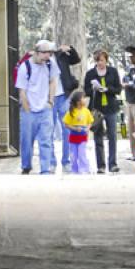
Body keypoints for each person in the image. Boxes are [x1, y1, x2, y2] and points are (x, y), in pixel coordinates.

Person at [15, 39, 59, 174]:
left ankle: (45, 169)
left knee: (46, 140)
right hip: (29, 109)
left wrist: (50, 101)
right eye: (45, 53)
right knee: (27, 141)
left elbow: (53, 81)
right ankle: (26, 165)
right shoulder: (25, 67)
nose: (48, 57)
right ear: (37, 52)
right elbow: (21, 90)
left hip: (45, 108)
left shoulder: (50, 64)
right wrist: (27, 107)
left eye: (50, 54)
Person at [84, 48, 122, 173]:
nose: (99, 63)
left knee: (112, 136)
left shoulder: (113, 71)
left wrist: (107, 89)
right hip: (97, 108)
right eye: (97, 61)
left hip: (111, 108)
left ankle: (112, 164)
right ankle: (101, 165)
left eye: (101, 60)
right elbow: (86, 91)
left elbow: (118, 89)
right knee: (98, 137)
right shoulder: (90, 74)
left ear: (106, 60)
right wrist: (94, 89)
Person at [50, 42, 81, 172]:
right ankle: (51, 162)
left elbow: (76, 59)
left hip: (63, 96)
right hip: (49, 99)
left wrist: (70, 48)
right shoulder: (42, 61)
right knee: (49, 132)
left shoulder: (62, 57)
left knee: (67, 130)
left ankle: (66, 161)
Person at [63, 90, 94, 173]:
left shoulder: (86, 111)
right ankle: (74, 169)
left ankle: (84, 169)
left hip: (83, 136)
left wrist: (87, 128)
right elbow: (66, 124)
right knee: (73, 154)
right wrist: (74, 128)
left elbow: (90, 121)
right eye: (83, 98)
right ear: (78, 101)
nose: (85, 99)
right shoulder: (71, 112)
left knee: (81, 152)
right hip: (73, 136)